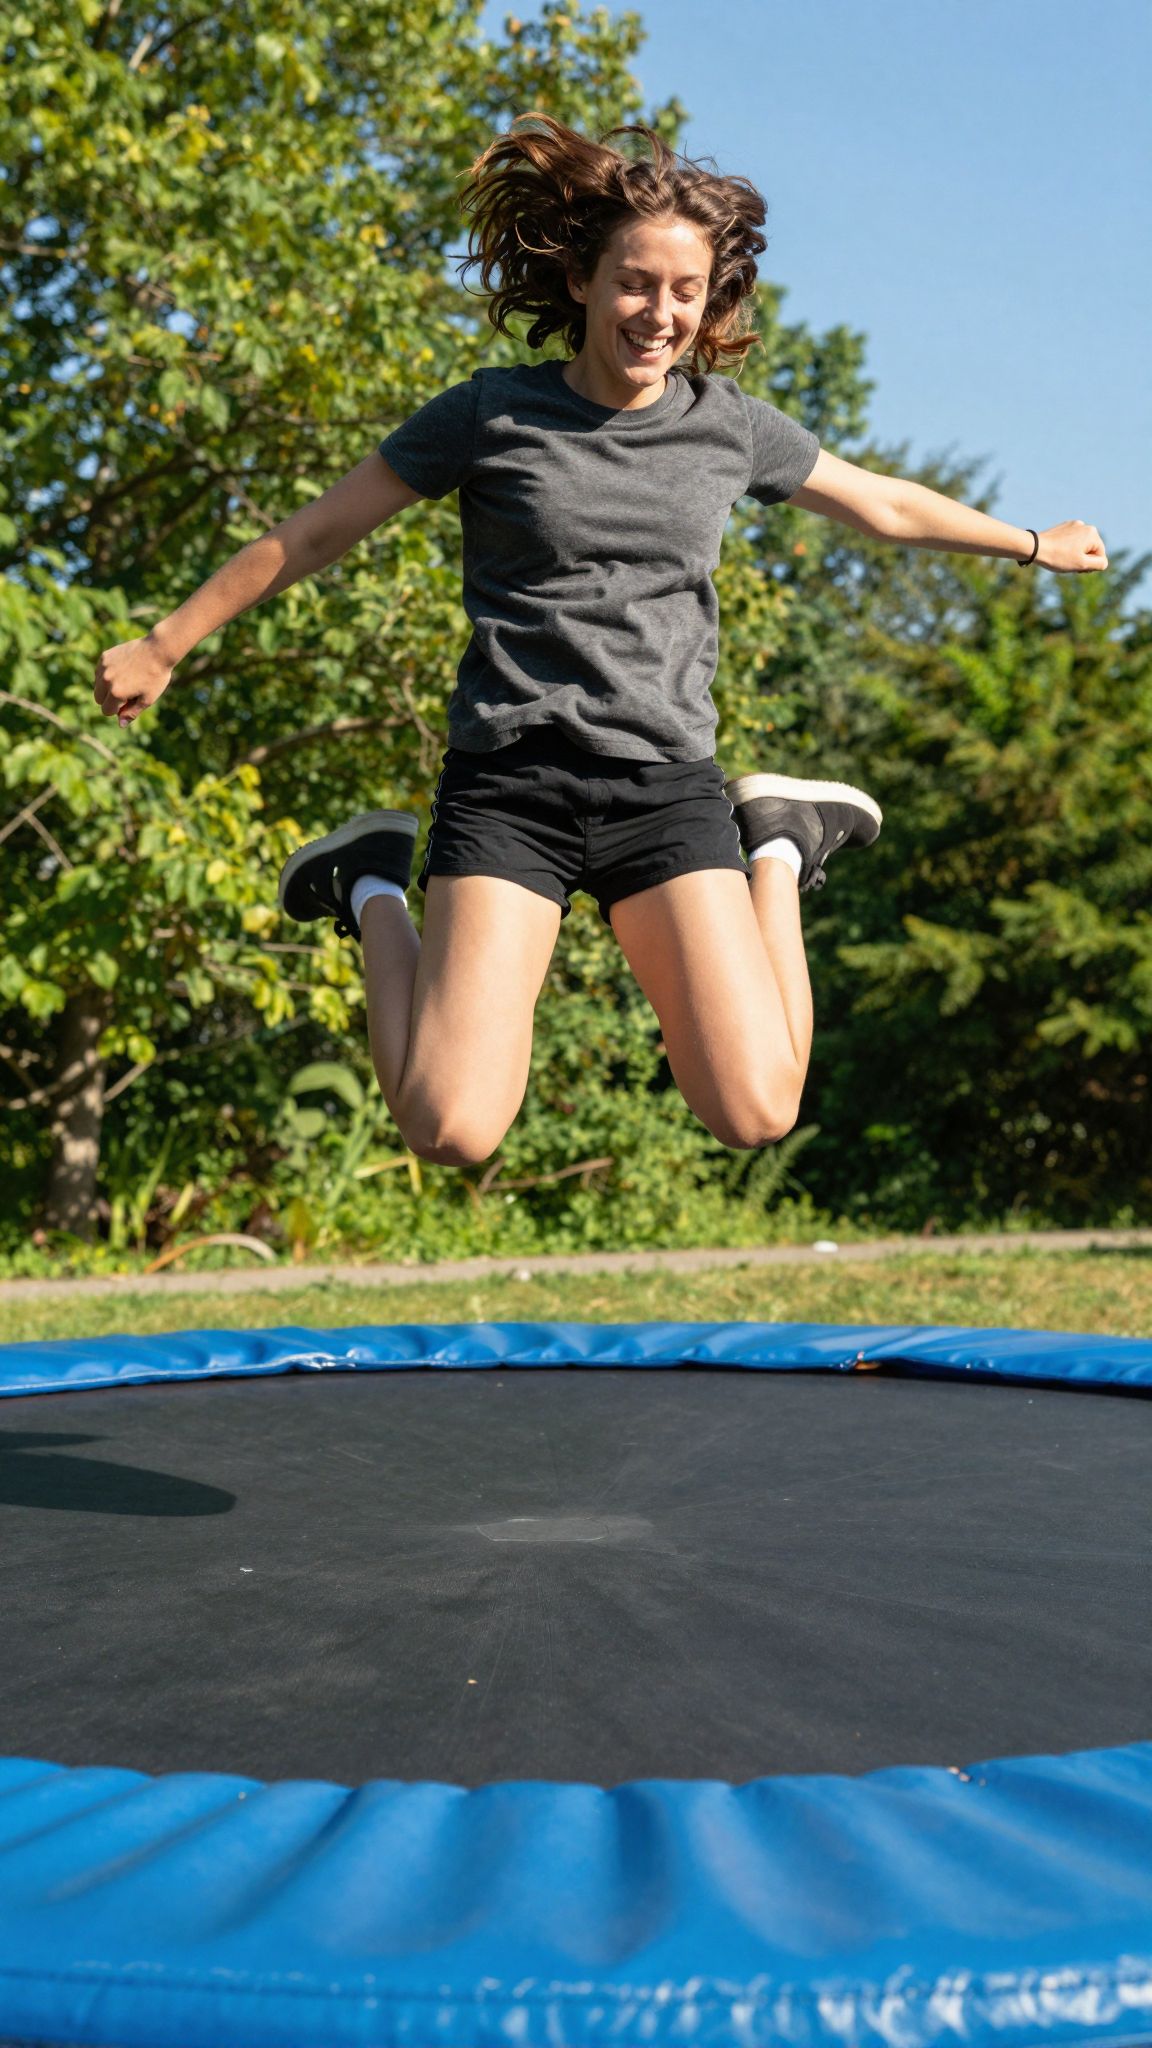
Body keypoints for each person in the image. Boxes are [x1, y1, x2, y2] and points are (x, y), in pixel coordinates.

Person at [93, 113, 1108, 1169]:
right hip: (511, 784)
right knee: (449, 1127)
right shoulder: (491, 416)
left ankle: (781, 843)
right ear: (581, 277)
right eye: (635, 281)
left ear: (710, 299)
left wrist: (1031, 543)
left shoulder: (728, 426)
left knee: (757, 1112)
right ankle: (371, 885)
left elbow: (882, 506)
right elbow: (314, 532)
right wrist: (166, 644)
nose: (659, 313)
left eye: (685, 291)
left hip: (662, 790)